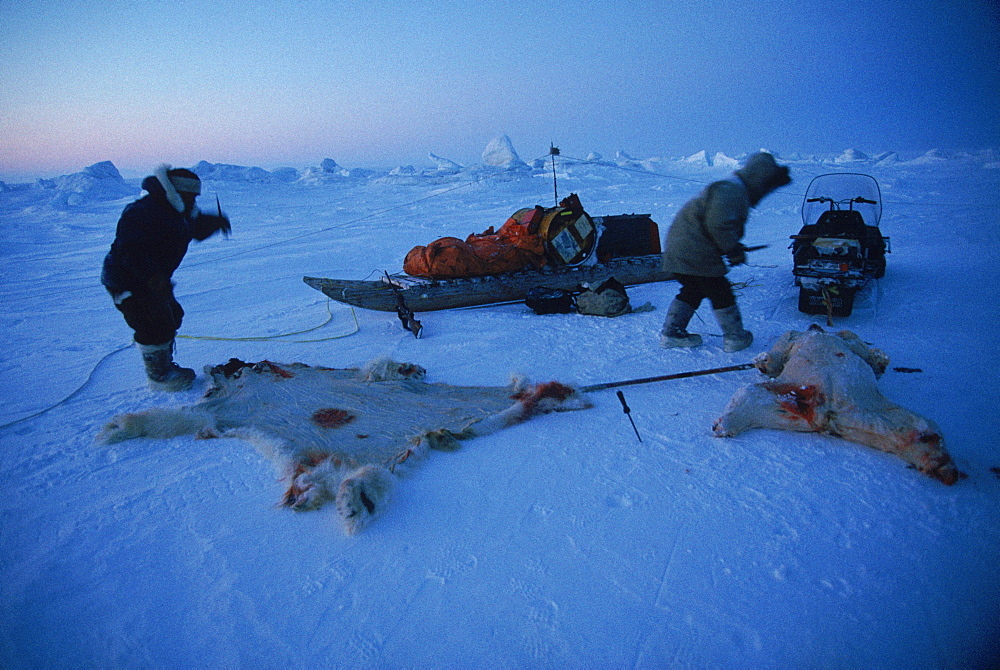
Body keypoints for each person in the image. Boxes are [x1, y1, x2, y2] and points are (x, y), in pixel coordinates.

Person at [102, 164, 231, 391]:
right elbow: (130, 251)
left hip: (153, 279)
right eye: (189, 196)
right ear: (174, 192)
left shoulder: (178, 210)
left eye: (195, 196)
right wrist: (153, 279)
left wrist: (216, 222)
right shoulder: (143, 211)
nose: (193, 200)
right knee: (153, 324)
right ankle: (160, 376)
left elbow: (194, 227)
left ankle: (164, 364)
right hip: (128, 279)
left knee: (172, 316)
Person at [659, 151, 791, 352]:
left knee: (694, 289)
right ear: (759, 178)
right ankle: (735, 338)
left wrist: (731, 246)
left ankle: (671, 333)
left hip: (682, 247)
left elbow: (718, 225)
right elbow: (719, 225)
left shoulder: (733, 189)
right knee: (720, 291)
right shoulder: (732, 191)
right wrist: (732, 249)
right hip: (694, 249)